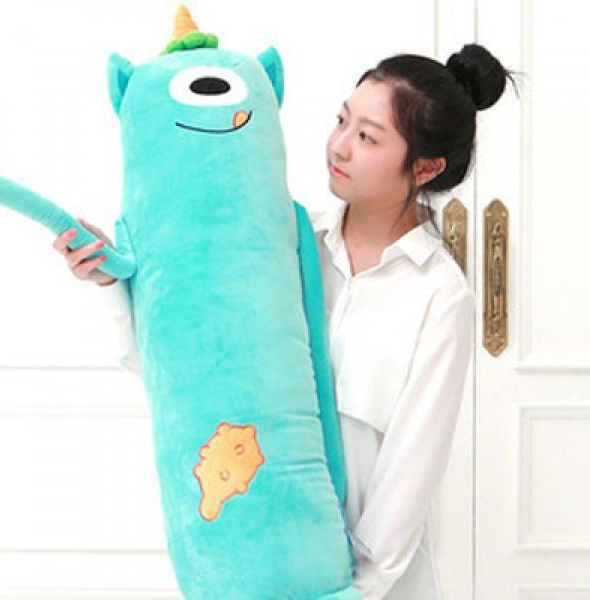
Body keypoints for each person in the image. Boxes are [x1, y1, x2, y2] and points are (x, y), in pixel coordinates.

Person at [52, 43, 519, 599]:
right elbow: (183, 368)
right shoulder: (282, 242)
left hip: (370, 585)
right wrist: (111, 282)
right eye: (341, 120)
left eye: (368, 137)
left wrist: (350, 589)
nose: (339, 146)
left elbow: (411, 470)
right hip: (258, 561)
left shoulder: (439, 294)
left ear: (425, 167)